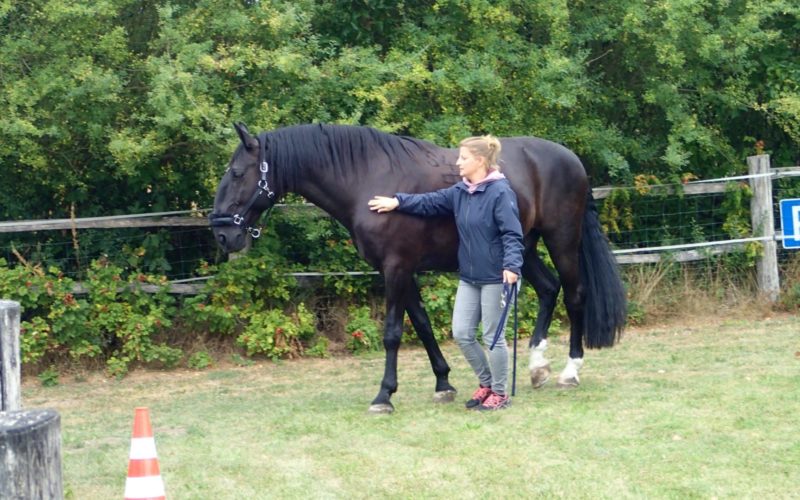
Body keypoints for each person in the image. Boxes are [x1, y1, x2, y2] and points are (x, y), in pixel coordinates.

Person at [368, 135, 524, 411]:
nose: (458, 162)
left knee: (492, 337)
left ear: (479, 161)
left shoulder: (501, 192)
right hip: (469, 276)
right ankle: (486, 383)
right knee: (462, 333)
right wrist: (397, 202)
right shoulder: (460, 191)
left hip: (495, 277)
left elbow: (512, 233)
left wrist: (512, 266)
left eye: (463, 158)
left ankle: (499, 393)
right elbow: (429, 202)